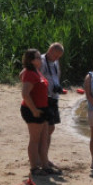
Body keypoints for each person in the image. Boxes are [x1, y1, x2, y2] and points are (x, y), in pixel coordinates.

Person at [20, 48, 52, 177]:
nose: (41, 59)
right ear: (31, 60)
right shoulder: (29, 73)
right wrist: (34, 110)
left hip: (42, 108)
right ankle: (34, 168)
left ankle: (45, 165)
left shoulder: (36, 71)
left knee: (44, 139)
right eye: (38, 57)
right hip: (32, 110)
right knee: (35, 140)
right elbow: (25, 94)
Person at [40, 42, 64, 171]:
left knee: (51, 128)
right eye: (56, 55)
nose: (57, 58)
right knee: (45, 129)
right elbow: (39, 77)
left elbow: (57, 75)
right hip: (44, 98)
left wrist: (57, 86)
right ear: (50, 51)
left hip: (54, 97)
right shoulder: (42, 61)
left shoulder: (55, 62)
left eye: (59, 56)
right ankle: (42, 158)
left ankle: (45, 157)